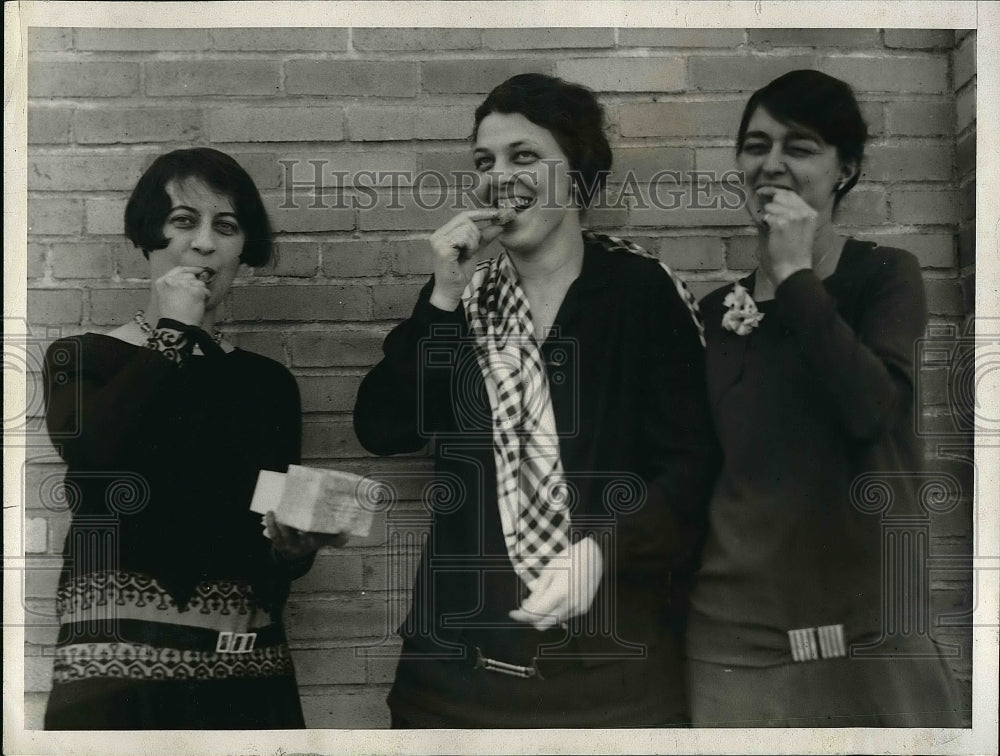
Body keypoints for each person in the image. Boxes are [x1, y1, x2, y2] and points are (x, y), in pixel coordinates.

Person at [353, 73, 717, 728]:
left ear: (577, 175)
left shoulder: (641, 293)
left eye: (525, 157)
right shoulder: (463, 300)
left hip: (610, 685)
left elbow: (692, 471)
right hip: (454, 683)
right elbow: (383, 426)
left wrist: (606, 548)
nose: (498, 176)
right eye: (485, 163)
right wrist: (440, 298)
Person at [686, 70, 963, 727]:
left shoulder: (884, 278)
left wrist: (794, 275)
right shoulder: (713, 315)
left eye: (800, 147)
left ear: (846, 169)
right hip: (738, 646)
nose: (771, 164)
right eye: (756, 146)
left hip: (872, 639)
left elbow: (870, 409)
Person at [42, 148, 341, 730]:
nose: (205, 243)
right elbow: (94, 457)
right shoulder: (83, 358)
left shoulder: (266, 386)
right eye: (185, 220)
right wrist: (174, 331)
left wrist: (292, 547)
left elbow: (270, 548)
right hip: (114, 678)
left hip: (243, 674)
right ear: (149, 237)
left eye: (225, 227)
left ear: (241, 251)